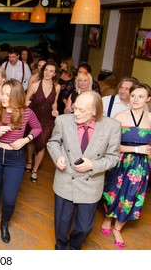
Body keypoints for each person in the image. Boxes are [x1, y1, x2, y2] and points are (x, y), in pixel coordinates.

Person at [47, 91, 121, 250]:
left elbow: (113, 157)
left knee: (84, 227)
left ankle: (74, 248)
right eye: (75, 107)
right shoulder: (63, 121)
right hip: (66, 179)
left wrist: (93, 165)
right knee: (62, 223)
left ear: (94, 111)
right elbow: (53, 143)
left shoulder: (112, 126)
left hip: (91, 183)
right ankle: (60, 247)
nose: (76, 113)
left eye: (82, 110)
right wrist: (58, 156)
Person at [0, 79, 42, 243]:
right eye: (3, 93)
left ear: (16, 96)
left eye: (8, 95)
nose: (3, 97)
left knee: (9, 198)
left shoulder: (26, 112)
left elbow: (38, 128)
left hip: (15, 159)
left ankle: (4, 223)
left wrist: (26, 139)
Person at [100, 83, 151, 249]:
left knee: (131, 197)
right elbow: (111, 145)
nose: (136, 99)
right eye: (134, 95)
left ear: (148, 99)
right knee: (111, 192)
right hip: (119, 161)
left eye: (141, 96)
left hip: (140, 166)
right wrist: (137, 148)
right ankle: (108, 218)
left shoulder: (150, 118)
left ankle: (118, 228)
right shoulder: (119, 117)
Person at [25, 60, 61, 182]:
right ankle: (29, 161)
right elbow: (26, 99)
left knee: (42, 143)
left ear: (55, 74)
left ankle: (35, 170)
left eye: (51, 71)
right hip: (33, 117)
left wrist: (54, 110)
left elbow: (54, 102)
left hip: (47, 119)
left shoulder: (57, 87)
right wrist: (26, 103)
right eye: (46, 70)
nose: (47, 73)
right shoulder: (35, 85)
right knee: (31, 141)